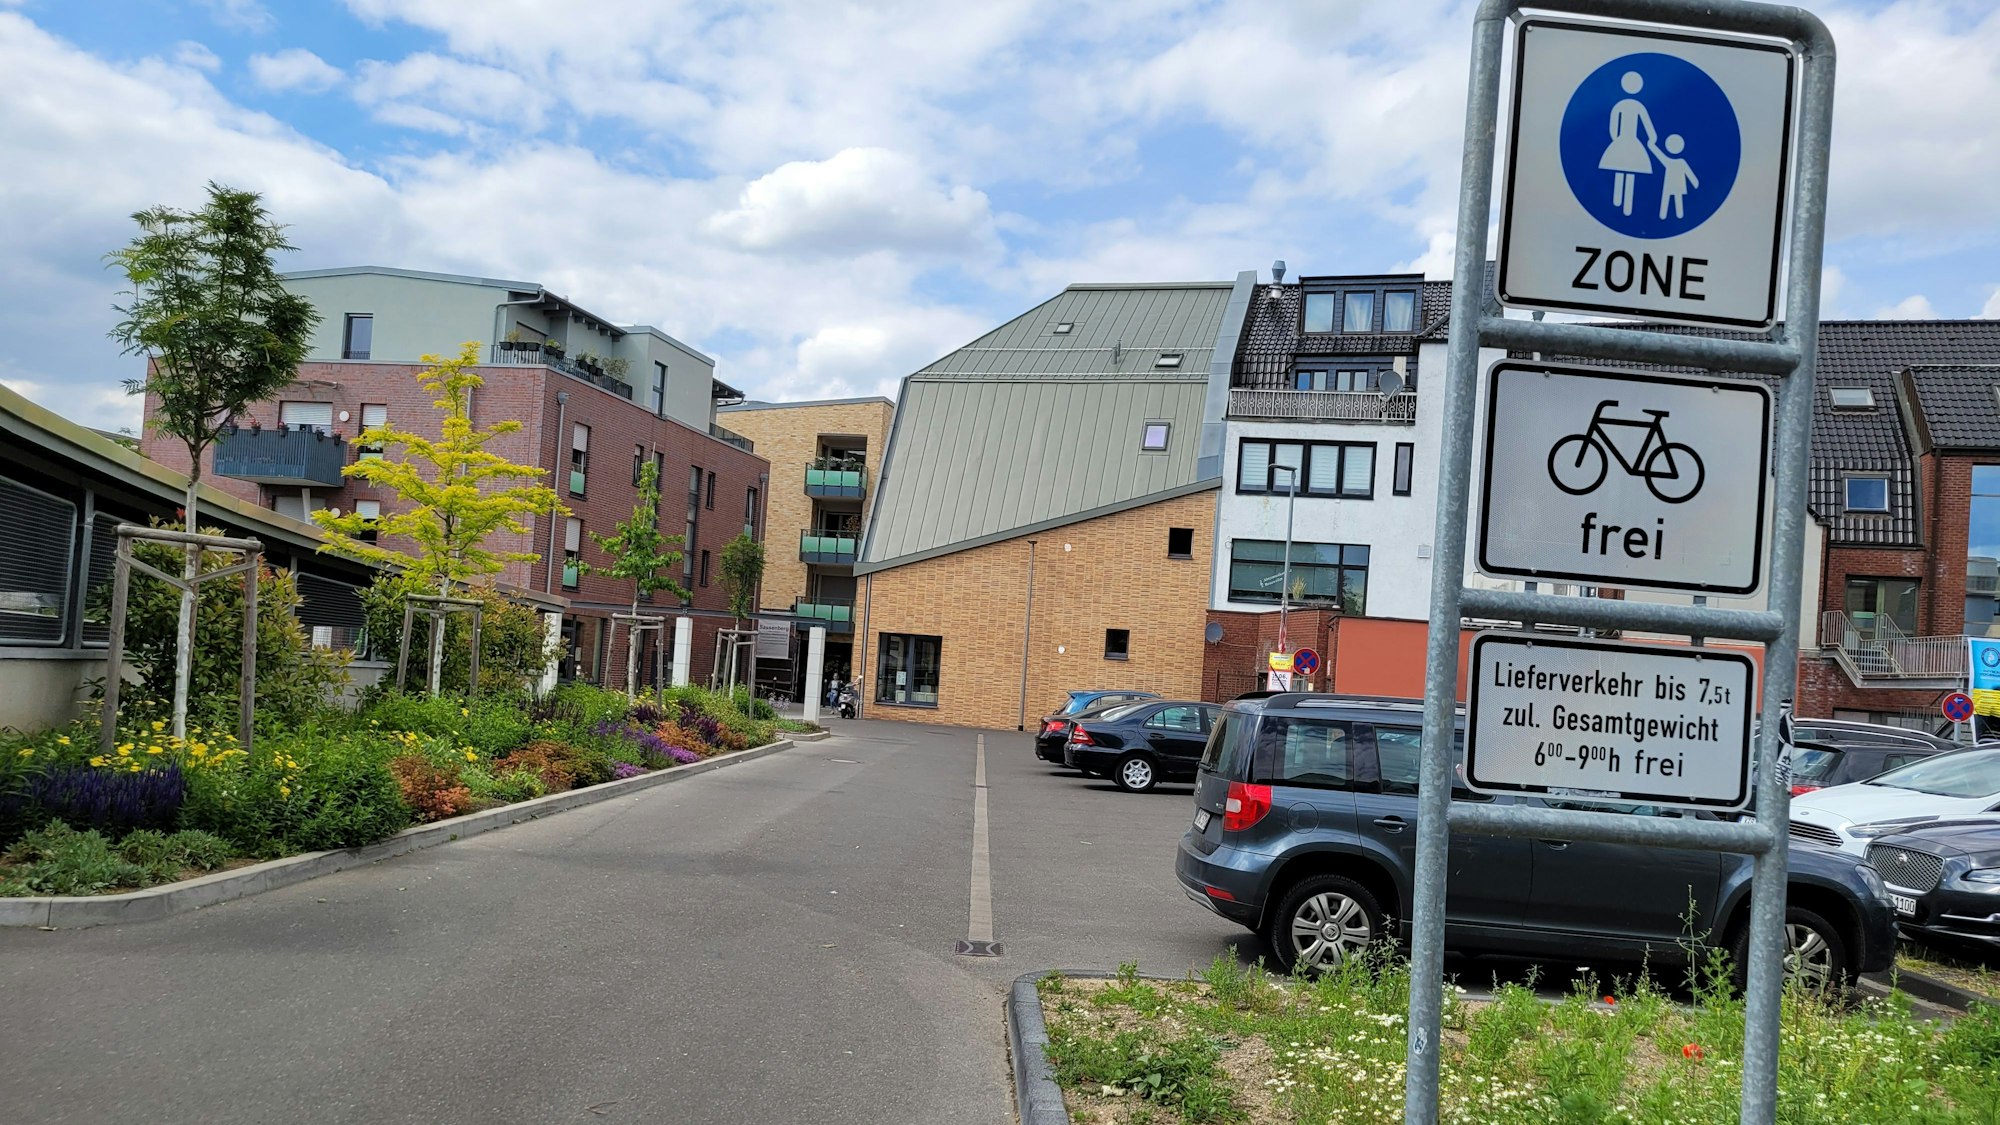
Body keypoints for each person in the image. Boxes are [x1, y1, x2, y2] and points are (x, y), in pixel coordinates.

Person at [1599, 70, 1659, 217]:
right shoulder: (1637, 106)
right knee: (1630, 171)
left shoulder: (1620, 105)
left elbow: (1613, 127)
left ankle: (1619, 203)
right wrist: (1652, 138)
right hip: (1632, 142)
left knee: (1622, 169)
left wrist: (1616, 140)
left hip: (1622, 141)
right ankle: (1623, 206)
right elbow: (1648, 126)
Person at [1648, 134, 1698, 221]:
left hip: (1674, 185)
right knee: (1671, 199)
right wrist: (1695, 183)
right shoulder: (1677, 162)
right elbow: (1659, 155)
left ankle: (1668, 216)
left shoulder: (1673, 162)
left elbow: (1688, 173)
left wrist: (1652, 146)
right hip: (1672, 185)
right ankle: (1666, 216)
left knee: (1673, 199)